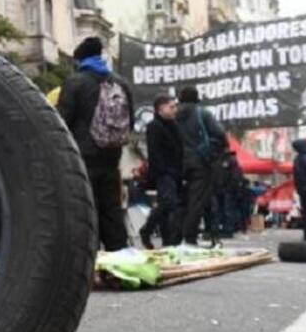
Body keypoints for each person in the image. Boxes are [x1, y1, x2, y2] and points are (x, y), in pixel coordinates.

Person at [57, 37, 133, 252]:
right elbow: (130, 121)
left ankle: (88, 251)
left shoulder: (75, 82)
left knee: (86, 203)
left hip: (83, 154)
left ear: (79, 59)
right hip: (112, 152)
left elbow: (62, 120)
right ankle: (117, 251)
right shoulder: (121, 82)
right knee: (112, 205)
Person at [174, 87, 227, 246]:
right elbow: (220, 135)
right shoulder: (202, 113)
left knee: (183, 200)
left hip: (179, 163)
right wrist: (209, 151)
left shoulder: (173, 115)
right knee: (198, 200)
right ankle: (191, 237)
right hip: (201, 163)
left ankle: (178, 235)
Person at [139, 95, 183, 248]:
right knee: (168, 203)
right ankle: (147, 229)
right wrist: (162, 171)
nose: (174, 110)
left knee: (170, 207)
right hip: (164, 172)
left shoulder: (174, 125)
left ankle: (168, 241)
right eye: (171, 107)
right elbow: (155, 152)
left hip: (175, 172)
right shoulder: (154, 126)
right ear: (161, 108)